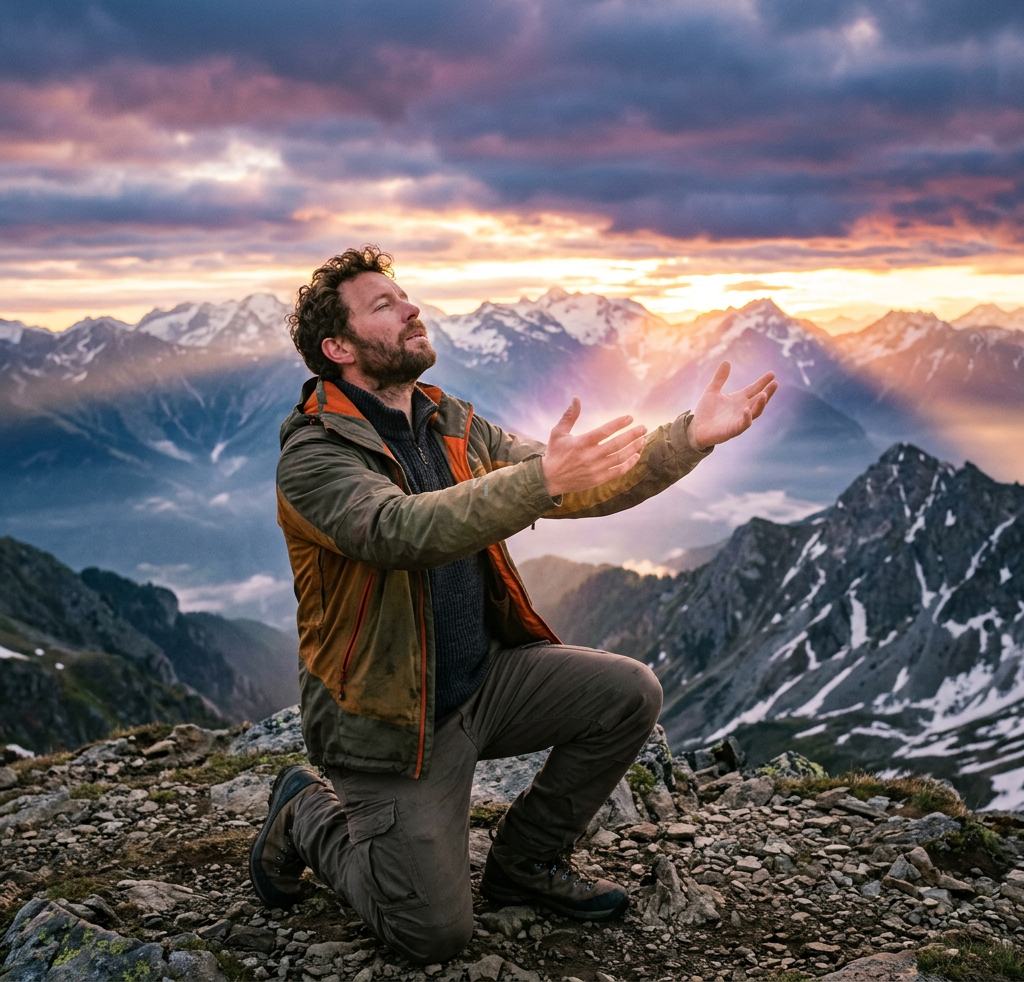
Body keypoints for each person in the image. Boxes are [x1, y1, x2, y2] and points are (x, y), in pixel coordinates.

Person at [250, 245, 777, 965]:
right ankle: (307, 812)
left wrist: (687, 438)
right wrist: (540, 482)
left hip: (481, 684)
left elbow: (576, 481)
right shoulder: (314, 457)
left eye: (405, 296)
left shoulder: (452, 423)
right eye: (383, 305)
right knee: (432, 937)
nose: (410, 308)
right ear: (337, 348)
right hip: (394, 725)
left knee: (627, 693)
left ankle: (526, 862)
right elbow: (400, 530)